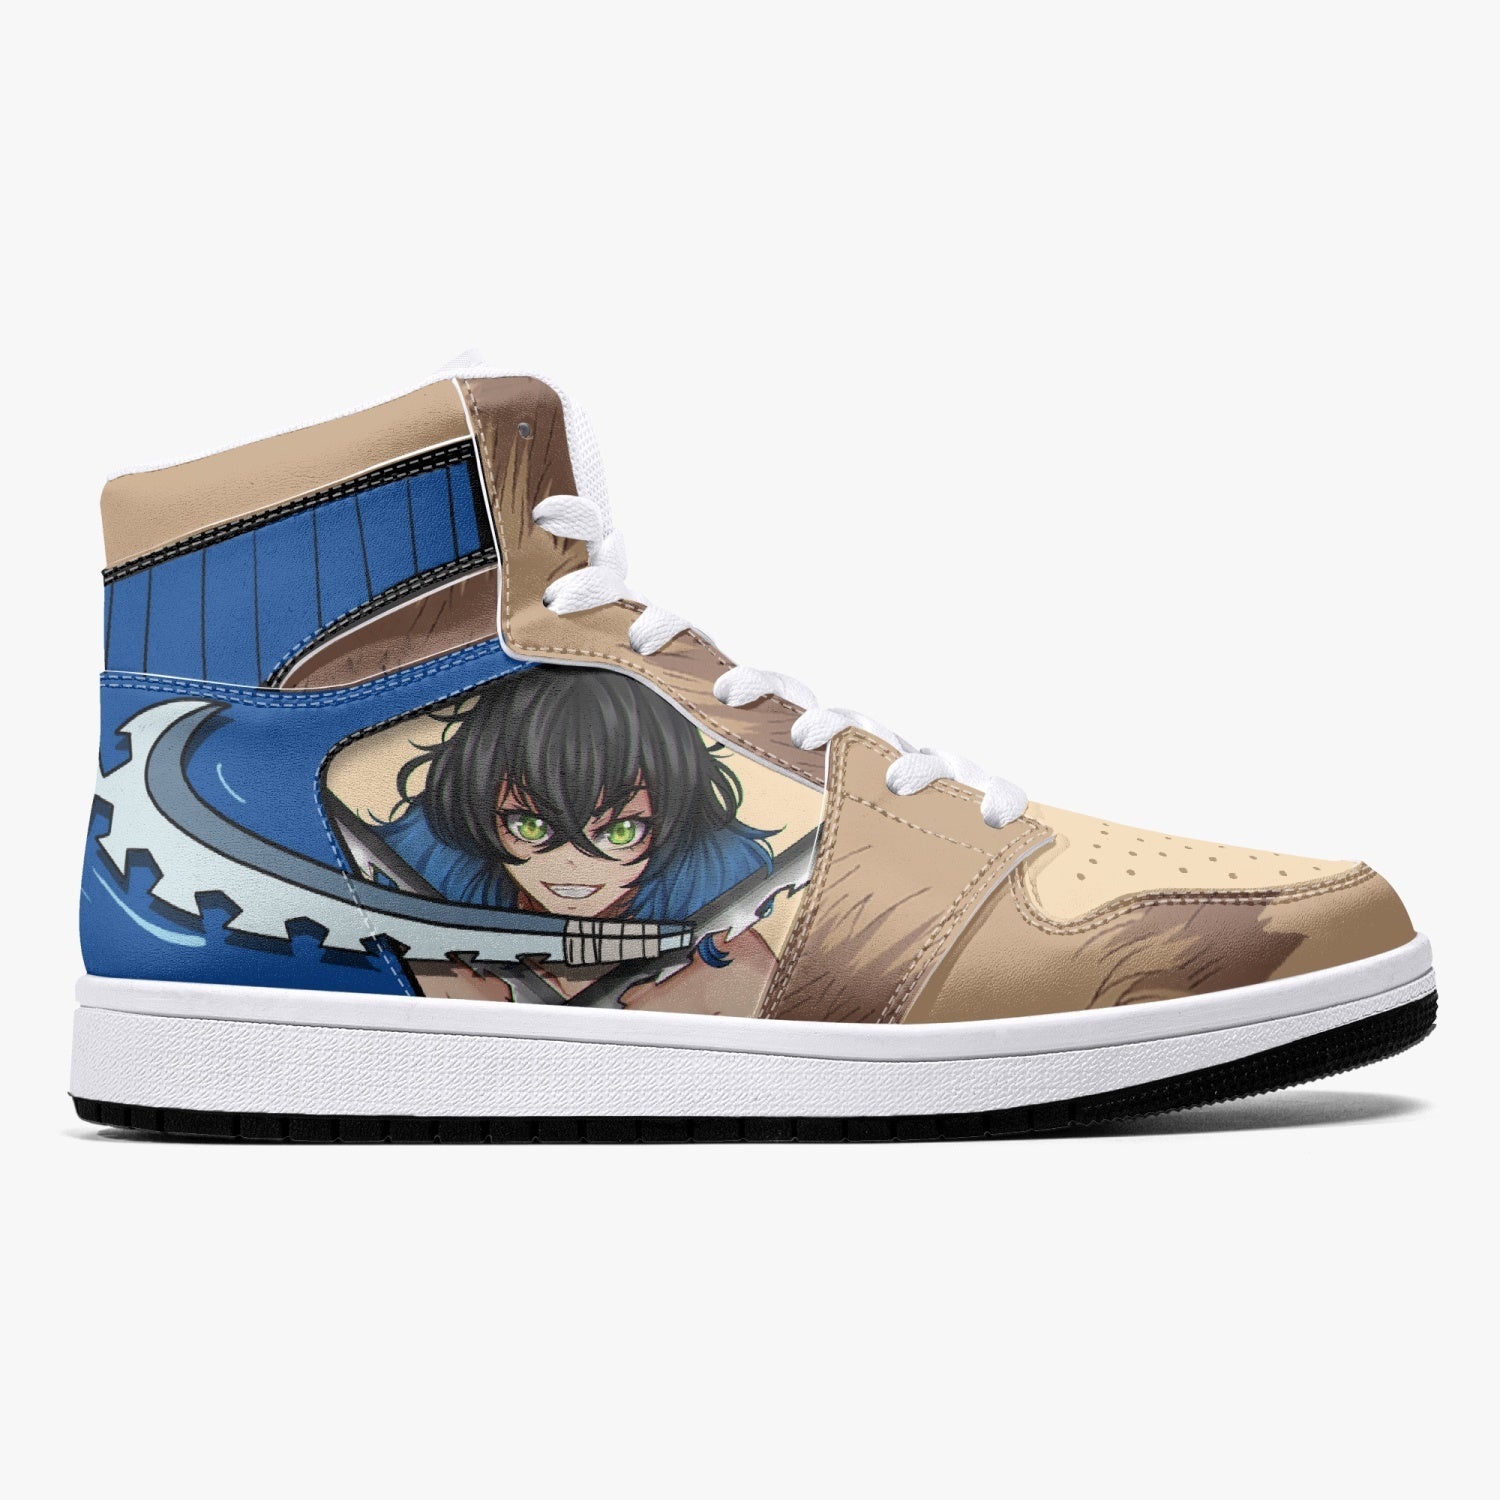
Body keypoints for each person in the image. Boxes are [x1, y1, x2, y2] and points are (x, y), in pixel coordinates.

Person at [379, 667, 779, 1011]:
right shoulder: (423, 897)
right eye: (530, 827)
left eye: (620, 832)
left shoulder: (721, 942)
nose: (572, 863)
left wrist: (732, 981)